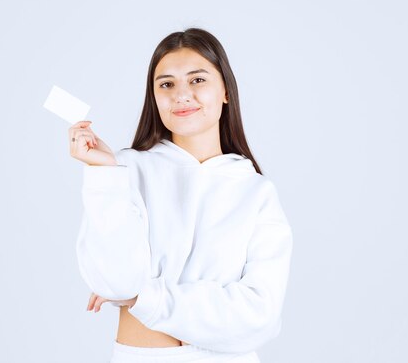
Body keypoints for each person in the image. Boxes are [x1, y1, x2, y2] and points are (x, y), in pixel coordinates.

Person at [69, 28, 293, 362]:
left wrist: (144, 297)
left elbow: (260, 316)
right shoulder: (124, 171)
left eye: (198, 80)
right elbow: (115, 282)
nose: (181, 95)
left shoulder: (255, 191)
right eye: (166, 84)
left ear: (226, 91)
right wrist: (103, 173)